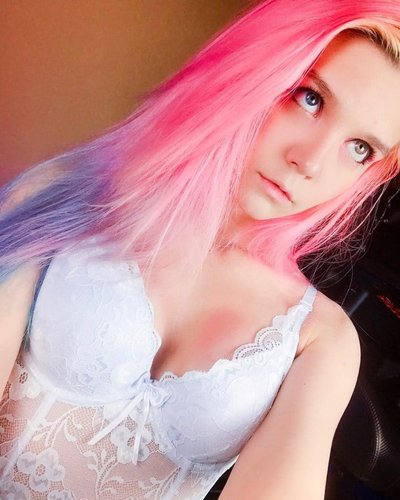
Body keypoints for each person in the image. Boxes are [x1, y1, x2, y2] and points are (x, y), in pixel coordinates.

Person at [0, 0, 400, 498]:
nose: (311, 162)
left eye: (360, 148)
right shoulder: (62, 194)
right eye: (310, 98)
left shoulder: (321, 338)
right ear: (252, 70)